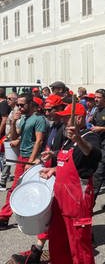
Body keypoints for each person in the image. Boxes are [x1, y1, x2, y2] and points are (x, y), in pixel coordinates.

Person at [39, 103, 101, 264]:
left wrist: (78, 138)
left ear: (78, 118)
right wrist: (53, 168)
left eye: (67, 118)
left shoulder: (89, 137)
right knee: (58, 244)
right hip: (60, 203)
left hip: (76, 204)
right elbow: (67, 162)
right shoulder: (67, 140)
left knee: (79, 248)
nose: (64, 121)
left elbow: (92, 153)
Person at [10, 94, 66, 264]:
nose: (47, 113)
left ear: (60, 109)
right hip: (51, 172)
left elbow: (68, 154)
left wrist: (53, 167)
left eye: (50, 110)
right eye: (46, 109)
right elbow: (51, 149)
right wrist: (41, 161)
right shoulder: (54, 126)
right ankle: (38, 250)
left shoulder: (64, 128)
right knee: (51, 215)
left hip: (61, 176)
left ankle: (42, 250)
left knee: (55, 215)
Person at [0, 93, 47, 230]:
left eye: (21, 105)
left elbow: (39, 140)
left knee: (32, 189)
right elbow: (15, 135)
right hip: (23, 157)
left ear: (31, 105)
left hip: (32, 159)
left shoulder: (39, 119)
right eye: (17, 105)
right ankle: (4, 217)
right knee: (15, 188)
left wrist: (31, 161)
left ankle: (7, 217)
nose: (19, 107)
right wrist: (13, 122)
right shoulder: (24, 118)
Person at [0, 92, 17, 191]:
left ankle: (2, 182)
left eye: (10, 99)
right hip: (8, 137)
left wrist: (8, 136)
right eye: (7, 98)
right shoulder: (11, 110)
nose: (7, 100)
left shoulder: (16, 110)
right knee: (6, 159)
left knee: (7, 160)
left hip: (11, 138)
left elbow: (13, 125)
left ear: (15, 99)